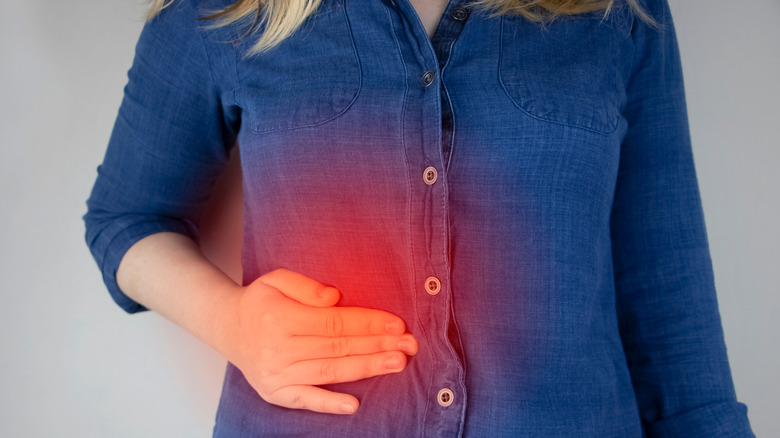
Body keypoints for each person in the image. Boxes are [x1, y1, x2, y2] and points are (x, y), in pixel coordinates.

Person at [84, 0, 755, 436]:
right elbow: (126, 217)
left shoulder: (620, 17)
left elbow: (669, 306)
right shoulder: (225, 13)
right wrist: (232, 323)